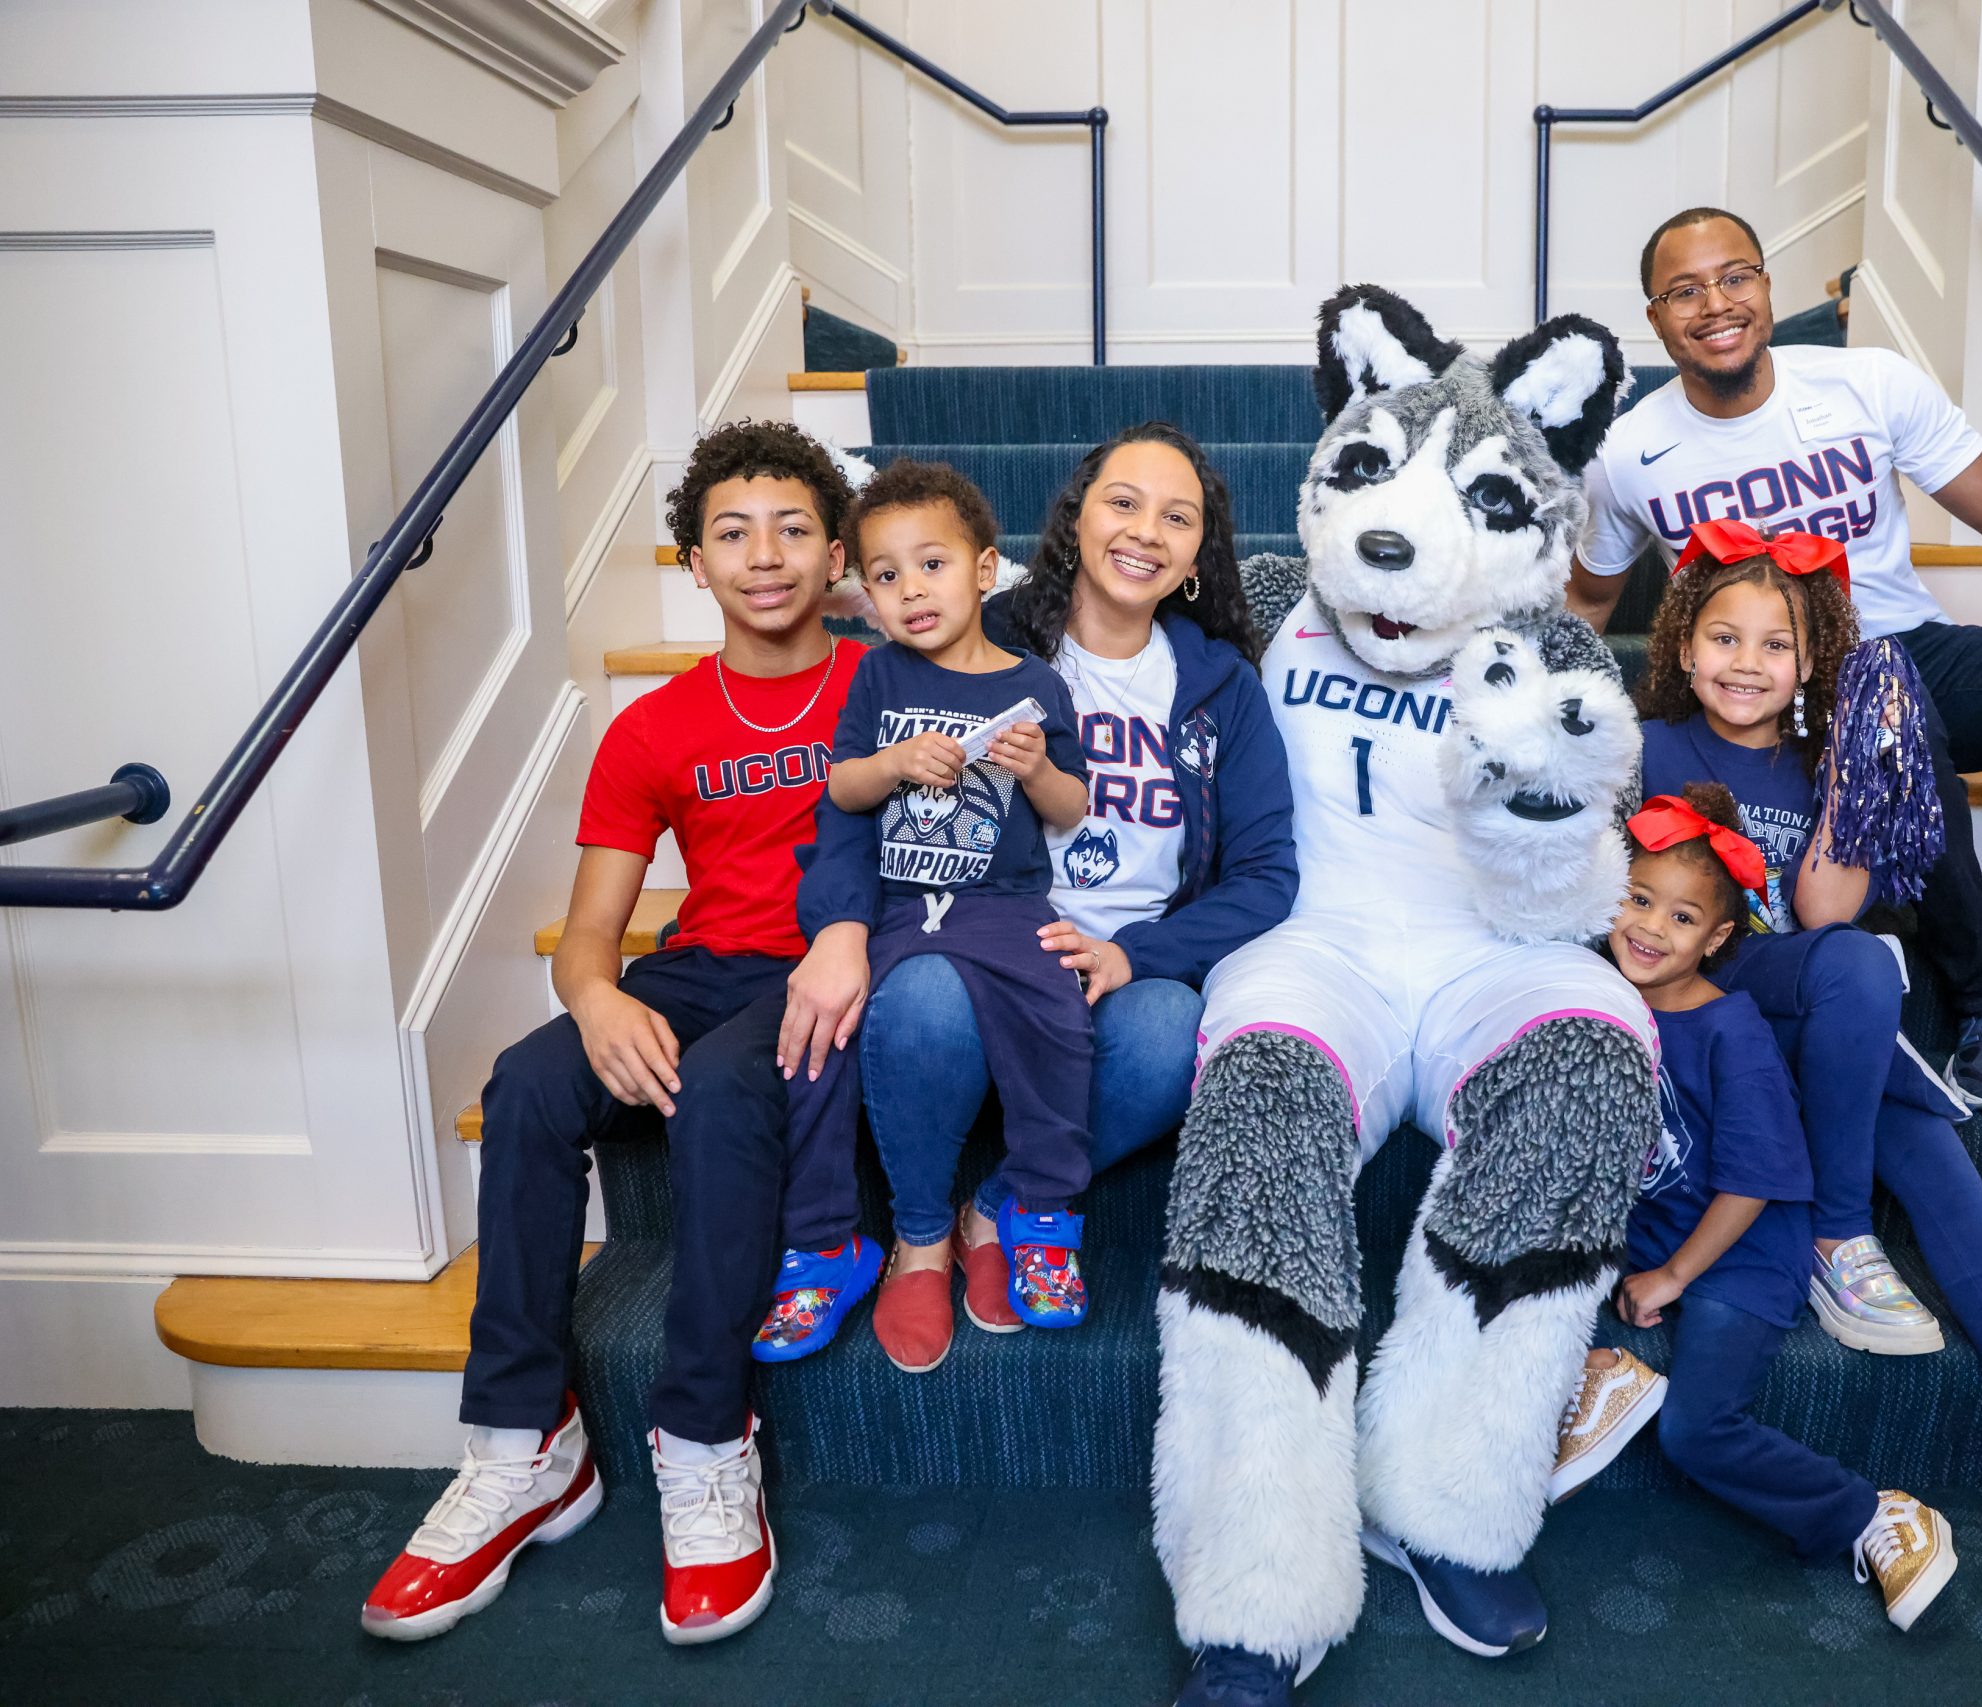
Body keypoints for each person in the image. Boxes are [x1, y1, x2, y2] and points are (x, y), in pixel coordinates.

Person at [1554, 530, 1982, 1589]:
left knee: (1878, 1019)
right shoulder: (1646, 745)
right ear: (1681, 644)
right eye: (1723, 637)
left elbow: (1821, 910)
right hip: (1710, 998)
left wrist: (1853, 752)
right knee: (1856, 977)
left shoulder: (1820, 753)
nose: (1747, 662)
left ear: (1810, 658)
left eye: (1777, 645)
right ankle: (1838, 1231)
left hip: (1808, 1016)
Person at [361, 420, 869, 1646]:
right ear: (692, 562)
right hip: (697, 965)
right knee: (529, 1085)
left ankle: (704, 1437)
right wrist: (593, 999)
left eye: (794, 529)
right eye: (731, 534)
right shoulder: (652, 729)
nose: (764, 557)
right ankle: (526, 1439)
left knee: (731, 1092)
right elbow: (592, 932)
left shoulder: (882, 678)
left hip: (831, 970)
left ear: (837, 551)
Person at [1569, 205, 1982, 1154]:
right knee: (1887, 710)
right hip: (1780, 697)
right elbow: (1587, 602)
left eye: (1735, 276)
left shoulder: (1866, 381)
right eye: (1685, 290)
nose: (1716, 303)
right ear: (1657, 318)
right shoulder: (1627, 453)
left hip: (1912, 644)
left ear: (1766, 287)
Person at [782, 422, 1298, 1376]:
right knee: (928, 994)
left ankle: (1007, 1202)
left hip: (1111, 964)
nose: (1145, 530)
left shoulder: (1222, 686)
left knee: (1169, 1028)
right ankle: (924, 1238)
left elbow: (1267, 874)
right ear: (1077, 517)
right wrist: (841, 928)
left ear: (1195, 555)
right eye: (1123, 501)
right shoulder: (976, 631)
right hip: (964, 934)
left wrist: (1136, 952)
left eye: (1176, 517)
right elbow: (858, 796)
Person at [1585, 781, 1962, 1630]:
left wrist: (1676, 1275)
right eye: (1638, 900)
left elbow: (1753, 1181)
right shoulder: (1600, 999)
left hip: (1744, 1250)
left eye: (1681, 918)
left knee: (1696, 1429)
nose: (1649, 927)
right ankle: (1599, 1377)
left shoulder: (1734, 1031)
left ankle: (1869, 1513)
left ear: (1719, 938)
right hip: (1653, 1225)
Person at [781, 459, 1093, 1371]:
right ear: (866, 594)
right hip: (901, 904)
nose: (910, 590)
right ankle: (864, 1236)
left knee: (1059, 1020)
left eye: (933, 565)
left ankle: (1038, 1209)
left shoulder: (1036, 683)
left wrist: (1034, 770)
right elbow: (840, 787)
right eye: (885, 575)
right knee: (840, 1030)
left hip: (1005, 901)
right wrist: (894, 765)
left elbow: (1073, 808)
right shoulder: (876, 680)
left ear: (986, 570)